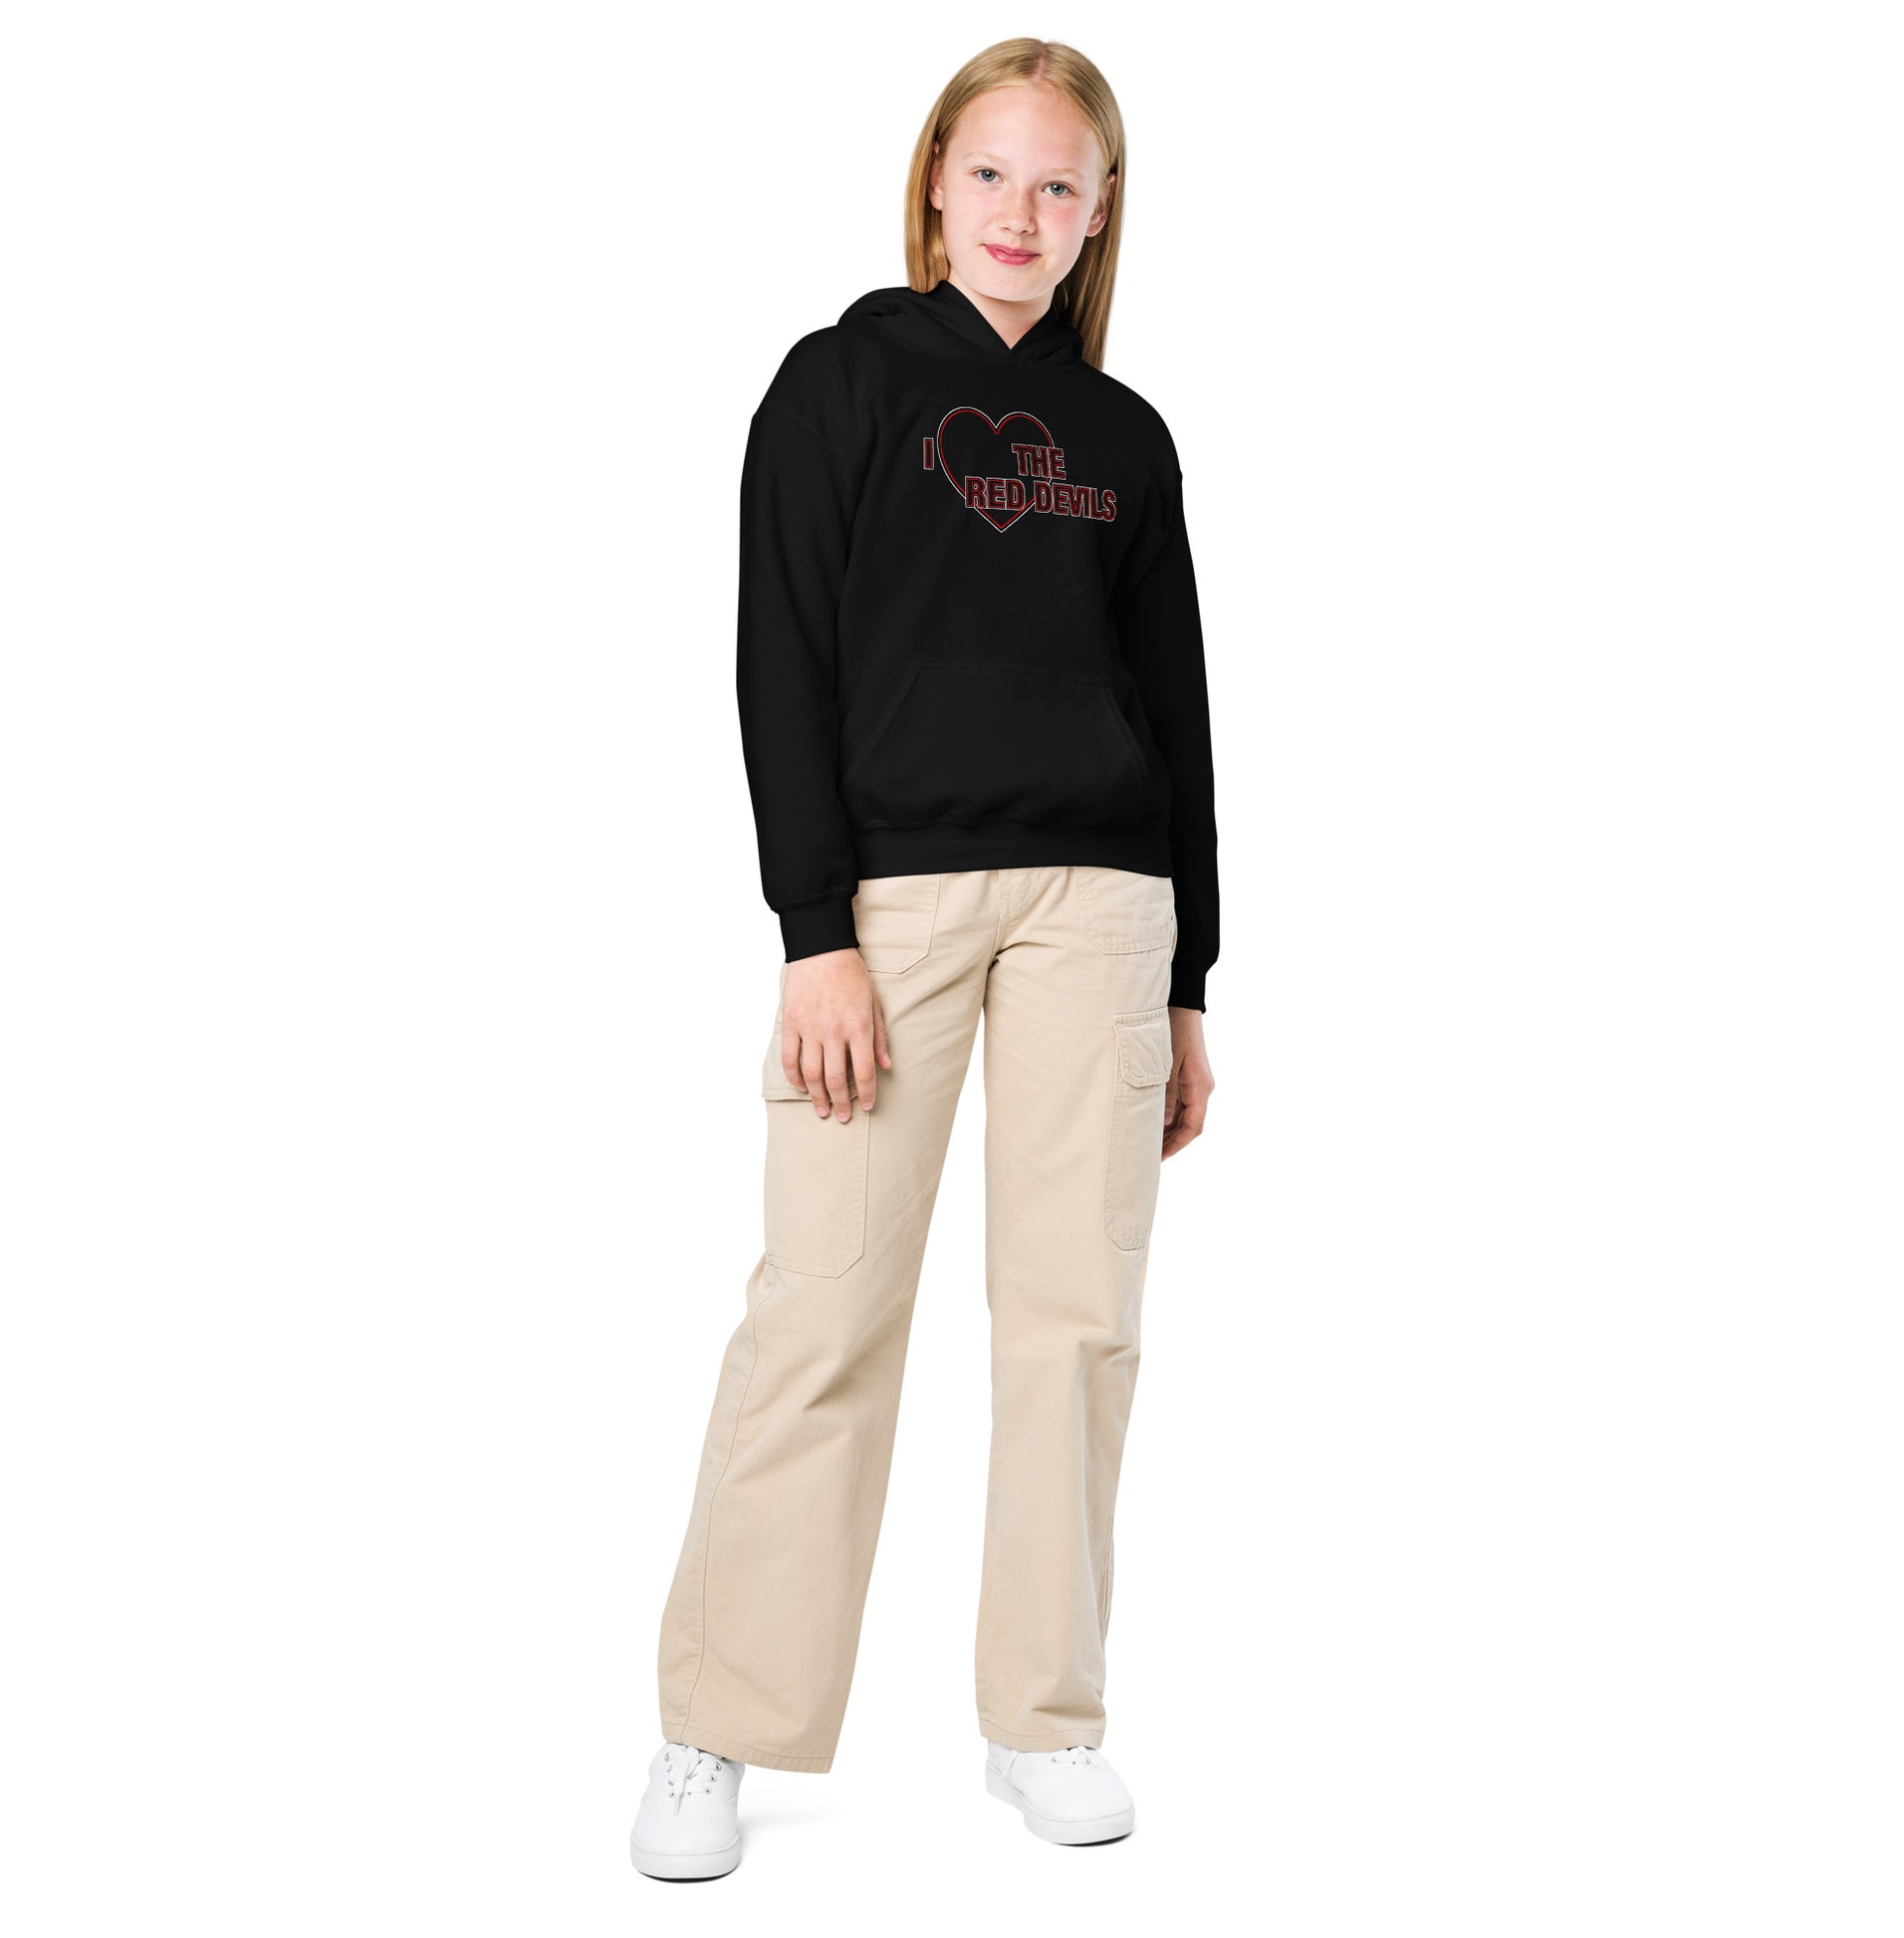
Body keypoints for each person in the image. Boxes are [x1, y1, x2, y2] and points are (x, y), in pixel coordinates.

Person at [630, 36, 1219, 1879]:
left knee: (1075, 1319)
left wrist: (1192, 977)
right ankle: (719, 1725)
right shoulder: (841, 382)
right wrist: (812, 931)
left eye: (1058, 185)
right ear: (934, 181)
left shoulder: (1123, 441)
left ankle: (1044, 1716)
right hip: (889, 910)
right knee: (822, 1308)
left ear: (1098, 212)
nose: (1019, 215)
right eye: (990, 175)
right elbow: (778, 658)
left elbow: (1180, 712)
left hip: (1100, 907)